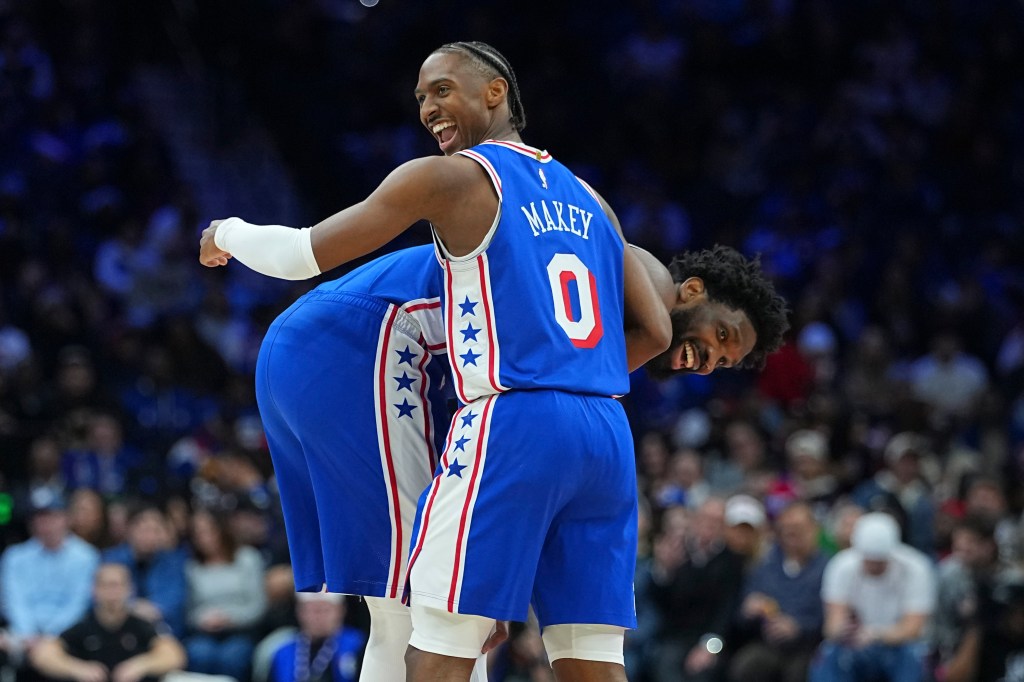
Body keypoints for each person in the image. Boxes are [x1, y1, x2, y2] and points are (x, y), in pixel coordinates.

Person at [198, 40, 784, 682]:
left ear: (496, 92)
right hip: (356, 348)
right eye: (423, 95)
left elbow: (304, 255)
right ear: (694, 292)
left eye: (440, 91)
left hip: (467, 387)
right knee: (419, 607)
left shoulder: (476, 186)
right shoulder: (591, 205)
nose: (708, 362)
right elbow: (647, 327)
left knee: (442, 614)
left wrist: (225, 233)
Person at [809, 511, 936, 682]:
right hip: (857, 644)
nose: (874, 566)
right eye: (869, 560)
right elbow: (832, 626)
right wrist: (844, 630)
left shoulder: (916, 568)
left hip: (899, 644)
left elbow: (914, 628)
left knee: (913, 654)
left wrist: (875, 634)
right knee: (829, 653)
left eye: (879, 561)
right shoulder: (841, 566)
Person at [28, 563, 186, 682]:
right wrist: (76, 668)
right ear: (94, 590)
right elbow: (43, 654)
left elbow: (174, 655)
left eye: (117, 585)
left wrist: (141, 665)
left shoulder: (141, 626)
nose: (112, 592)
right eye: (105, 586)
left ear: (130, 589)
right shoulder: (83, 625)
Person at [728, 502, 828, 682]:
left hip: (809, 647)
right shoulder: (765, 567)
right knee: (747, 665)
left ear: (814, 530)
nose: (791, 535)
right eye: (785, 530)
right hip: (769, 644)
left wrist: (798, 627)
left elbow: (830, 617)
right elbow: (741, 617)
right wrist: (749, 610)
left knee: (800, 672)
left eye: (797, 529)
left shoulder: (827, 568)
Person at [0, 489, 99, 666]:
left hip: (69, 634)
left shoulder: (87, 556)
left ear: (67, 518)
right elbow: (13, 601)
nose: (45, 524)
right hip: (22, 635)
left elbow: (79, 604)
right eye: (39, 518)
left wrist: (50, 637)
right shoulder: (15, 556)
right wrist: (28, 634)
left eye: (52, 517)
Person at [182, 507, 267, 681]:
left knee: (232, 658)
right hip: (203, 633)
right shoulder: (191, 567)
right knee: (198, 654)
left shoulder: (248, 558)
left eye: (208, 530)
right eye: (197, 532)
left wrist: (230, 618)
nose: (203, 537)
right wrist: (202, 619)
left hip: (242, 631)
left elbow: (258, 605)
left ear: (221, 529)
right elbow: (188, 609)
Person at [103, 502, 188, 637]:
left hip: (161, 628)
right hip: (118, 628)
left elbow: (175, 599)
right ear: (130, 530)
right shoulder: (112, 560)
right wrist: (131, 607)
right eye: (144, 530)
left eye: (155, 530)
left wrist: (152, 610)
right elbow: (102, 594)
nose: (150, 536)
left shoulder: (174, 562)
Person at [268, 592, 366, 682]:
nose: (319, 617)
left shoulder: (358, 646)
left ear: (341, 611)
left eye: (325, 610)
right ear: (299, 612)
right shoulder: (282, 652)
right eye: (313, 610)